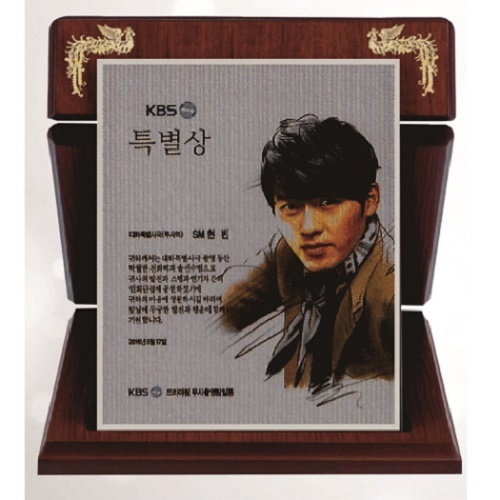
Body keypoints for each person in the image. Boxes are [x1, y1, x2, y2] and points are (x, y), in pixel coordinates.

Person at [222, 114, 394, 394]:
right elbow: (224, 313)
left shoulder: (390, 291)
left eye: (328, 202)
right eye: (291, 207)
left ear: (370, 200)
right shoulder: (287, 254)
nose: (309, 228)